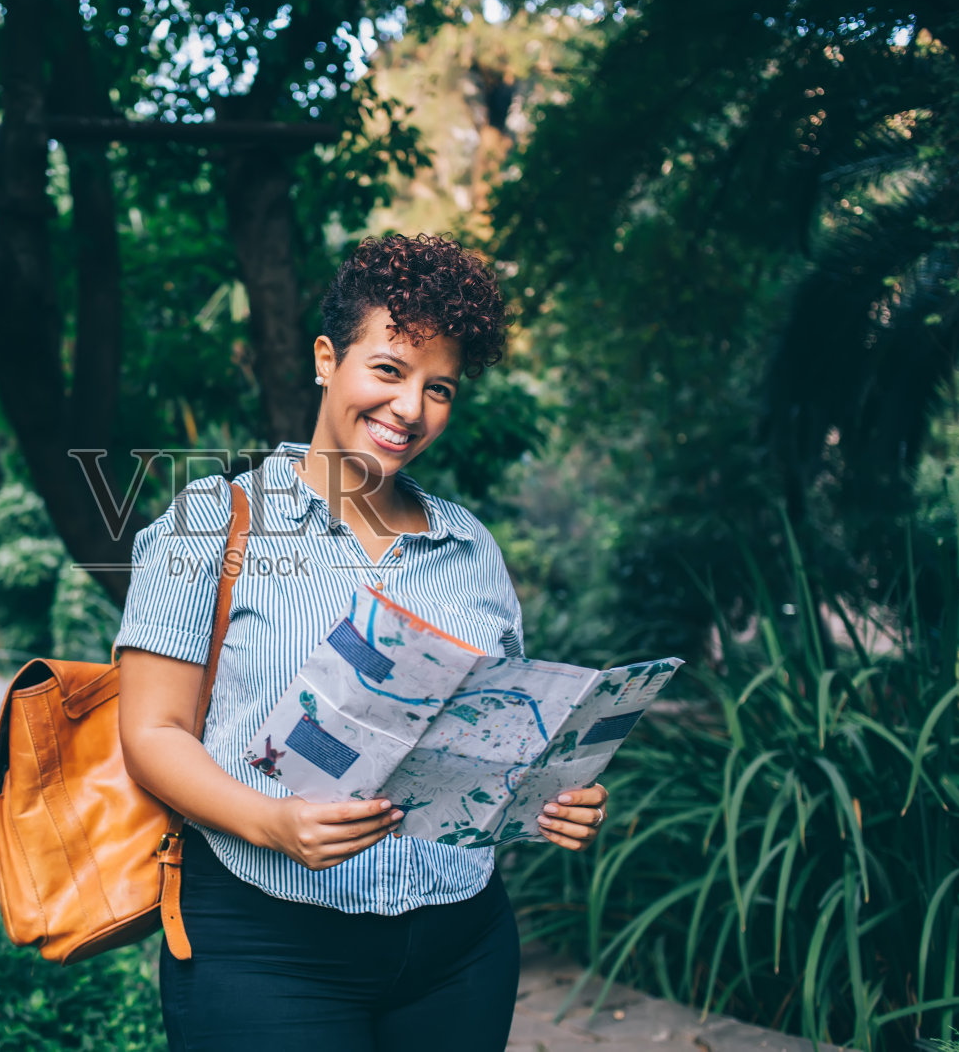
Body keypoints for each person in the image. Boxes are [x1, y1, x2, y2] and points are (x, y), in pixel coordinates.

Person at [115, 233, 609, 1052]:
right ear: (325, 360)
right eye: (388, 369)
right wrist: (272, 822)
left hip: (461, 947)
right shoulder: (211, 521)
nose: (411, 408)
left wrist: (557, 794)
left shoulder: (471, 547)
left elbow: (500, 731)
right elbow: (150, 734)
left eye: (439, 387)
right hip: (265, 944)